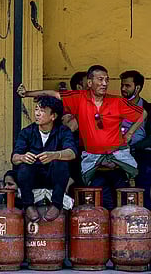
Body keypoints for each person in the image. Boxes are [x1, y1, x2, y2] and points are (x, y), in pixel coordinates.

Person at [17, 65, 147, 210]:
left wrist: (129, 134)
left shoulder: (116, 101)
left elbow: (143, 114)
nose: (104, 83)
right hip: (94, 163)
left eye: (107, 80)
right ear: (89, 83)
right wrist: (27, 93)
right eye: (100, 79)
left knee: (123, 203)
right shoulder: (79, 99)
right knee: (102, 203)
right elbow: (54, 94)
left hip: (118, 161)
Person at [12, 96, 77, 221]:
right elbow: (14, 158)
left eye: (42, 111)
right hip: (33, 178)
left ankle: (57, 205)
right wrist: (23, 157)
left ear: (53, 116)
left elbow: (72, 153)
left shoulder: (63, 131)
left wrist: (55, 155)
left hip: (55, 178)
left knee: (61, 163)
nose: (37, 113)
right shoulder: (27, 132)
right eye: (36, 109)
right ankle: (28, 205)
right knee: (23, 167)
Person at [120, 70, 151, 209]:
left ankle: (144, 215)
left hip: (140, 151)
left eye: (127, 86)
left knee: (143, 179)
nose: (123, 89)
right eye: (122, 85)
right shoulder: (116, 105)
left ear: (137, 88)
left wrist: (134, 147)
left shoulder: (148, 109)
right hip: (118, 151)